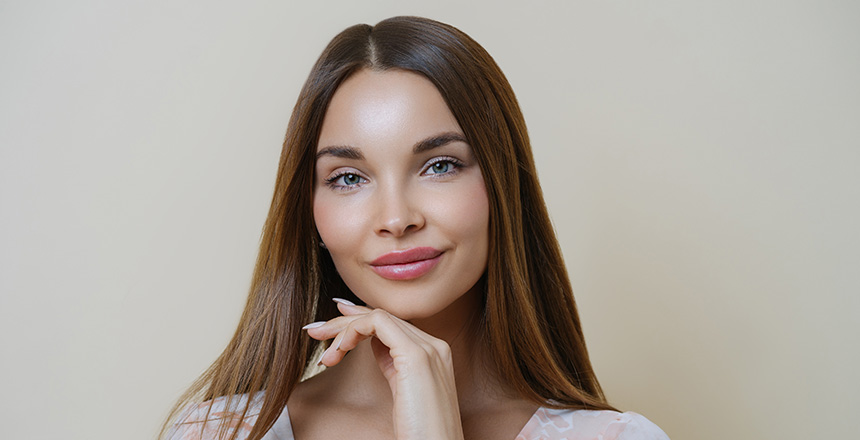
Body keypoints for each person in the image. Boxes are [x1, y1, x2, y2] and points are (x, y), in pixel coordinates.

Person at [161, 16, 669, 440]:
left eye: (440, 166)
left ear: (501, 187)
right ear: (309, 213)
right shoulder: (217, 432)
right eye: (349, 178)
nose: (396, 218)